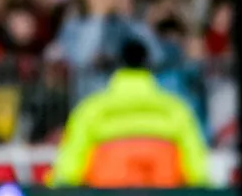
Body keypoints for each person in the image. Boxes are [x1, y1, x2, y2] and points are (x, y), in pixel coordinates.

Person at [48, 39, 209, 188]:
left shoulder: (90, 110)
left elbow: (68, 173)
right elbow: (197, 174)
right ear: (149, 65)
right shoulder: (177, 110)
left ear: (117, 65)